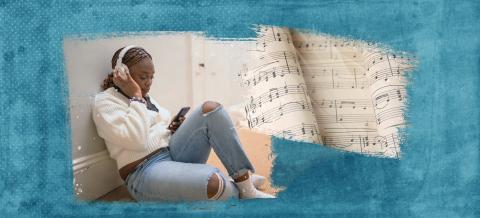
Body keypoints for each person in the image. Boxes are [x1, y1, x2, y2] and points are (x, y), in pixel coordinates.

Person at [92, 46, 275, 201]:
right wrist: (136, 96)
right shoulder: (105, 103)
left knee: (211, 109)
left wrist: (171, 129)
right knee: (214, 184)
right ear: (123, 73)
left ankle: (245, 185)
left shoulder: (147, 98)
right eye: (143, 77)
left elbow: (155, 128)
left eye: (151, 77)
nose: (148, 83)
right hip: (144, 172)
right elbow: (136, 140)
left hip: (172, 152)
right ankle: (231, 185)